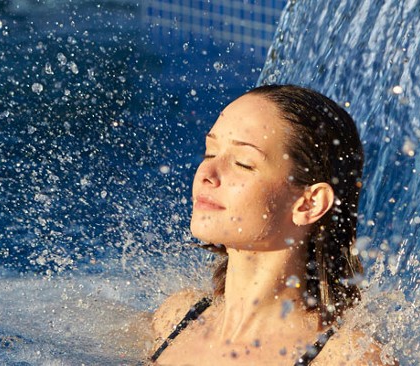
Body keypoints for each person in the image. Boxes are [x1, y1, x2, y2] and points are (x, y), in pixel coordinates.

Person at [149, 84, 388, 365]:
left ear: (308, 204)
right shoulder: (177, 318)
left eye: (243, 163)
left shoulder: (345, 357)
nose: (206, 173)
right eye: (210, 152)